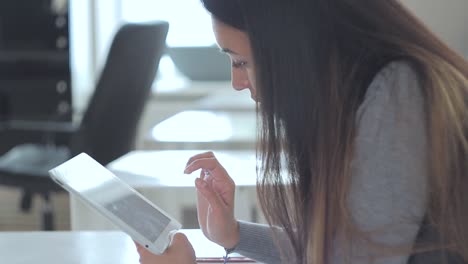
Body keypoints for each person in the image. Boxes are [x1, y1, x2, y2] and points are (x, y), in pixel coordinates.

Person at [136, 0, 468, 263]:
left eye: (240, 62)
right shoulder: (368, 95)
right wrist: (235, 235)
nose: (237, 83)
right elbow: (338, 252)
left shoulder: (397, 95)